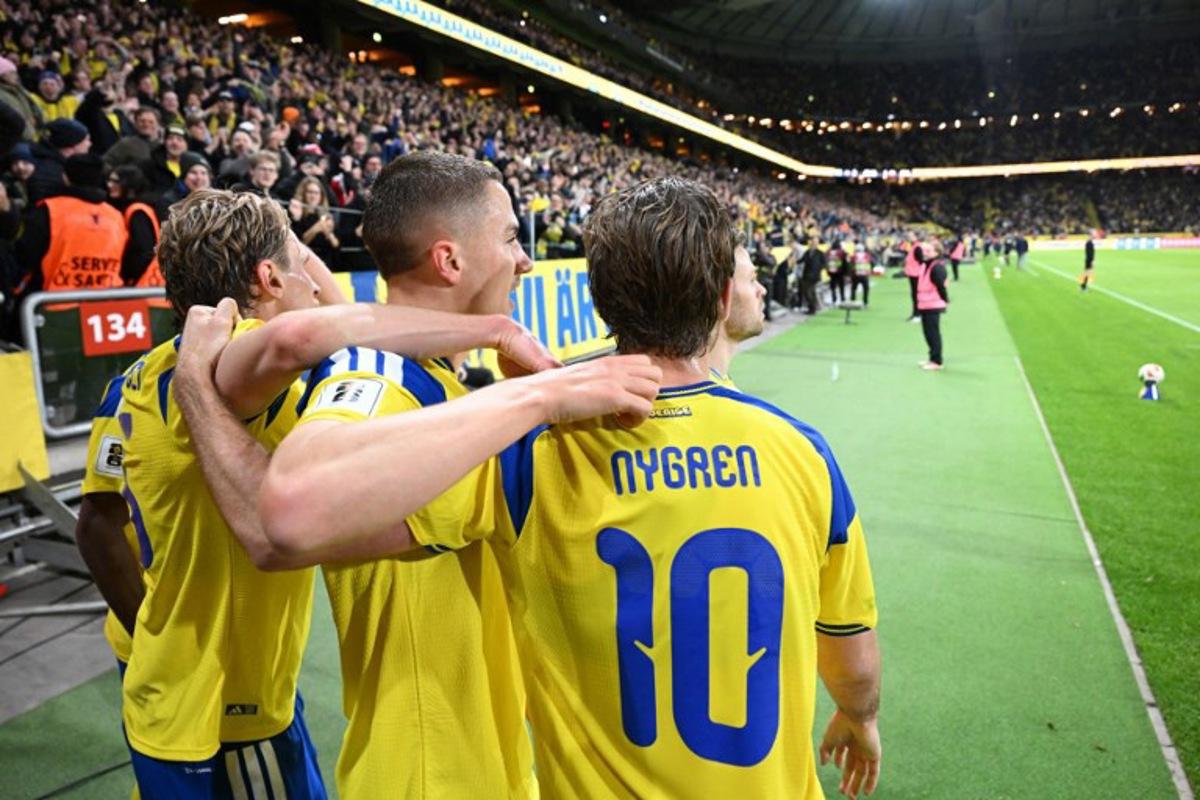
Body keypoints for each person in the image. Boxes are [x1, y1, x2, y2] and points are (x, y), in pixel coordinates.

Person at [249, 176, 882, 799]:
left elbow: (293, 528)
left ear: (602, 303)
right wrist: (859, 715)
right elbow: (852, 656)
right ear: (720, 300)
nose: (523, 259)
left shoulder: (522, 449)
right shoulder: (803, 452)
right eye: (508, 238)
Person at [175, 152, 660, 799]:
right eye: (512, 238)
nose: (526, 261)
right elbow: (288, 511)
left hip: (474, 764)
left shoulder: (432, 377)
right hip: (429, 776)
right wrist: (538, 396)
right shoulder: (379, 380)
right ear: (450, 260)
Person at [14, 153, 126, 297]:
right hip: (103, 303)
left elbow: (26, 256)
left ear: (65, 177)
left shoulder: (49, 211)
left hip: (52, 303)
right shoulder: (116, 216)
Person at [106, 164, 162, 287]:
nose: (110, 185)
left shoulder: (137, 211)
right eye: (109, 180)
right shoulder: (138, 208)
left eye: (116, 181)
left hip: (140, 281)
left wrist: (129, 277)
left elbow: (143, 250)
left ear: (129, 185)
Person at [28, 118, 92, 202]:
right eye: (86, 140)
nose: (90, 144)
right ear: (72, 145)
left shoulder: (63, 166)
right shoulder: (48, 176)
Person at [288, 177, 339, 266]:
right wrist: (316, 229)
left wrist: (329, 234)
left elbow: (337, 247)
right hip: (305, 264)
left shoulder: (326, 216)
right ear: (303, 193)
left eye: (316, 193)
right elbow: (298, 245)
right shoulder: (296, 215)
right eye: (310, 192)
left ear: (321, 196)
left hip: (326, 263)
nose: (313, 196)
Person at [916, 239, 949, 371]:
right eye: (925, 250)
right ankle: (932, 358)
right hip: (925, 304)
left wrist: (945, 300)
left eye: (928, 251)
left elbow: (941, 286)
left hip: (933, 304)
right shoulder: (927, 264)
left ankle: (937, 361)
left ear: (936, 252)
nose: (925, 253)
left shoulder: (937, 267)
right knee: (928, 333)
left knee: (933, 333)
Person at [798, 237, 826, 315]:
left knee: (810, 292)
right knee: (808, 292)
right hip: (806, 275)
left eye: (815, 242)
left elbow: (824, 264)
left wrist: (818, 269)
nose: (813, 243)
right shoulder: (807, 252)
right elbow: (801, 260)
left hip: (815, 276)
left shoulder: (820, 253)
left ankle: (812, 308)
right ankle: (811, 307)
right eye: (812, 242)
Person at [902, 234, 921, 321]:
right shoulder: (913, 246)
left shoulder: (917, 247)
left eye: (912, 236)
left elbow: (920, 260)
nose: (910, 238)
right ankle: (915, 313)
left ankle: (917, 314)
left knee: (916, 294)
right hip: (912, 273)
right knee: (914, 294)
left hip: (916, 274)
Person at [850, 241, 872, 306]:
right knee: (866, 289)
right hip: (864, 275)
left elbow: (851, 265)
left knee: (854, 289)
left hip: (856, 275)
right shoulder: (867, 255)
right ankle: (865, 302)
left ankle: (853, 301)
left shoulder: (853, 256)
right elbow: (870, 263)